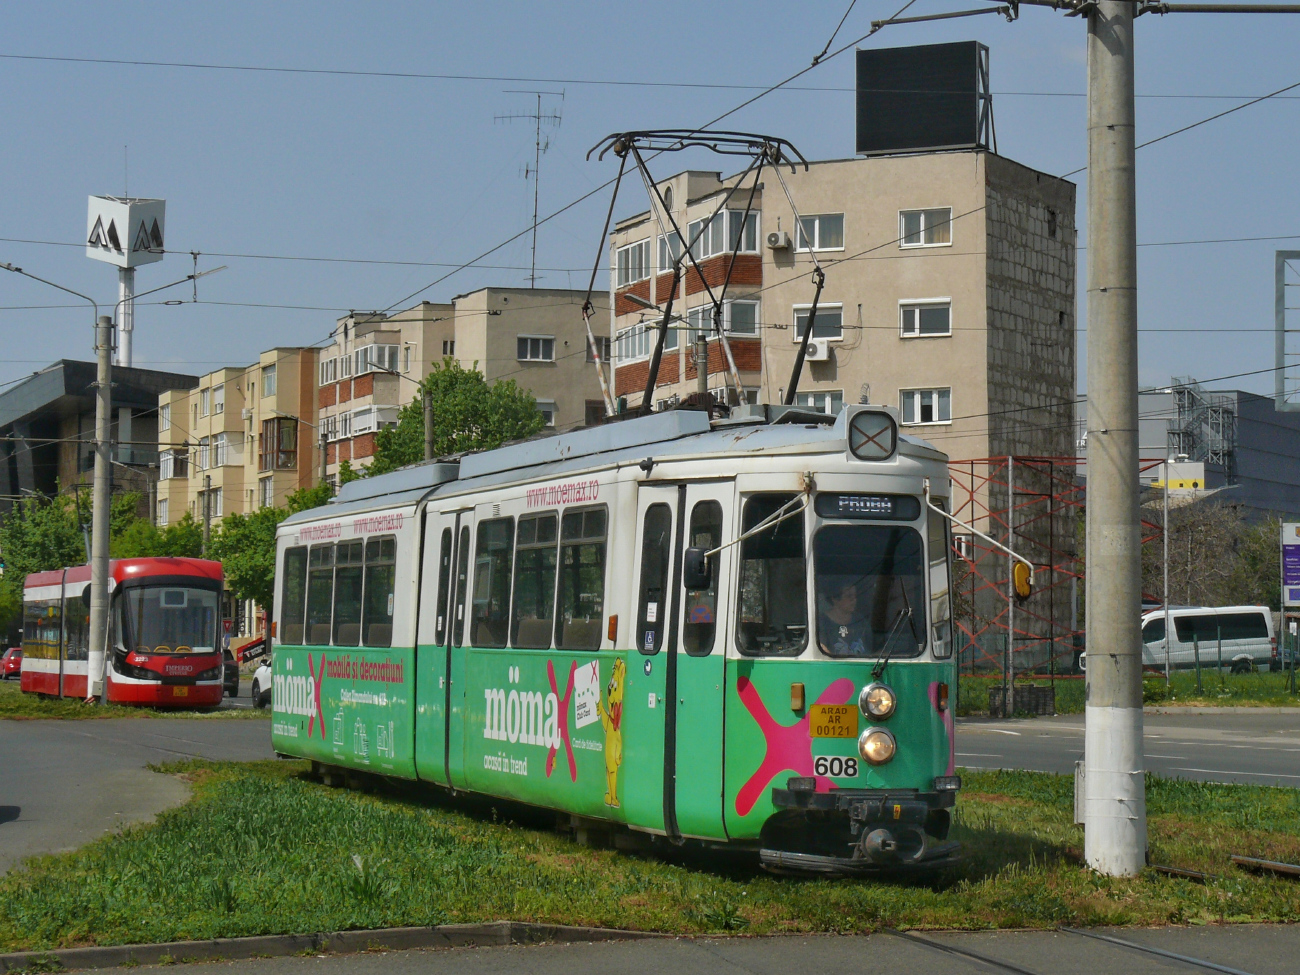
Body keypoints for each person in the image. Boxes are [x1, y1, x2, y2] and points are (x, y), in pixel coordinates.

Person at [818, 578, 871, 656]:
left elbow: (871, 650)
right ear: (835, 598)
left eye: (855, 595)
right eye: (849, 596)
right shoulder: (821, 622)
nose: (854, 599)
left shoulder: (861, 622)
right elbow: (822, 649)